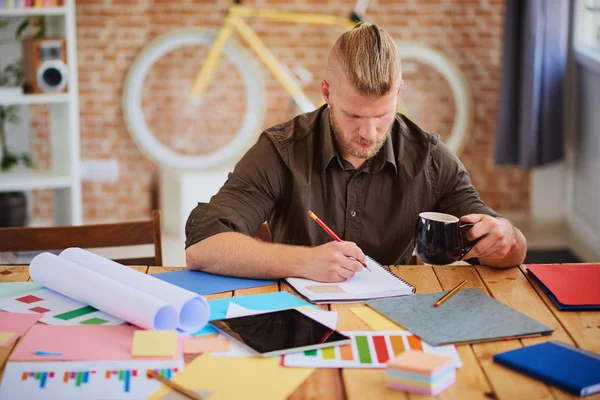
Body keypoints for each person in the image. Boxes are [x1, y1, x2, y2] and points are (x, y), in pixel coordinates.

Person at [185, 22, 527, 282]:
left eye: (382, 115)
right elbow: (203, 248)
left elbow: (511, 250)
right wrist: (305, 262)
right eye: (354, 116)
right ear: (327, 92)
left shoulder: (430, 159)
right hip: (299, 317)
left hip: (397, 320)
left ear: (399, 92)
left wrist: (505, 237)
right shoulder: (280, 151)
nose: (369, 133)